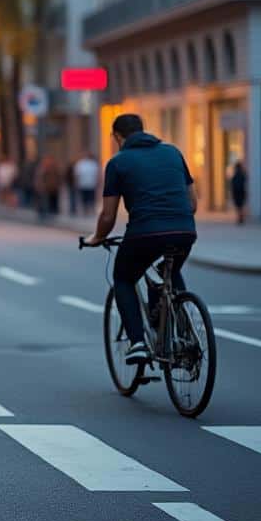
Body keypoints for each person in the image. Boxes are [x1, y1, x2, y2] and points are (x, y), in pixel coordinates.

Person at [84, 114, 197, 367]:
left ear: (117, 137)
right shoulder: (173, 153)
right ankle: (178, 326)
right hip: (185, 230)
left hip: (145, 232)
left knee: (123, 279)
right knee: (170, 268)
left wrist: (97, 238)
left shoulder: (118, 162)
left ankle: (138, 343)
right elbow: (192, 203)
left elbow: (108, 215)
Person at [73, 152, 101, 217]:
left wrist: (98, 182)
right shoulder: (81, 164)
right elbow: (77, 175)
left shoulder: (91, 164)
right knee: (86, 198)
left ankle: (89, 210)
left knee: (89, 198)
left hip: (89, 184)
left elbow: (97, 174)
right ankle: (87, 210)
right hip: (85, 184)